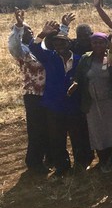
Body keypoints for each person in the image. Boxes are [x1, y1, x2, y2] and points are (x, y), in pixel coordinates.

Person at [29, 16, 92, 175]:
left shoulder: (80, 60)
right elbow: (34, 47)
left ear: (69, 43)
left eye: (62, 43)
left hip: (74, 105)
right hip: (54, 105)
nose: (59, 46)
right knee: (57, 137)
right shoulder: (49, 58)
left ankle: (81, 164)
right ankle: (62, 167)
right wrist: (43, 33)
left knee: (78, 136)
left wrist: (77, 83)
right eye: (56, 44)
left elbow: (85, 78)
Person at [68, 33, 112, 172]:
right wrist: (75, 84)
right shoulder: (85, 59)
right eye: (95, 43)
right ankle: (103, 160)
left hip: (111, 101)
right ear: (91, 44)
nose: (98, 45)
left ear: (106, 44)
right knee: (97, 131)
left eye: (101, 42)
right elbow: (78, 76)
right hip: (92, 102)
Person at [8, 8, 47, 174]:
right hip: (33, 96)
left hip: (48, 94)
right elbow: (14, 44)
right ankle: (34, 162)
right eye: (25, 31)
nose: (28, 32)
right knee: (36, 128)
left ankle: (47, 158)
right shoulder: (22, 51)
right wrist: (18, 26)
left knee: (47, 127)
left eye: (30, 29)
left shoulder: (40, 48)